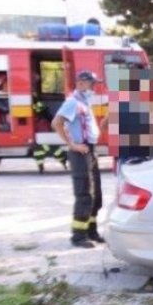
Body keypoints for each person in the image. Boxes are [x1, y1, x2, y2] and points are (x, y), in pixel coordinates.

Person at [53, 70, 103, 248]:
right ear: (81, 83)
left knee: (96, 195)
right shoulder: (72, 102)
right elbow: (56, 123)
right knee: (84, 194)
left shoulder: (85, 102)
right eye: (92, 84)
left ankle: (91, 231)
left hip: (90, 150)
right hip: (80, 152)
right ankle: (78, 236)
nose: (94, 87)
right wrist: (72, 145)